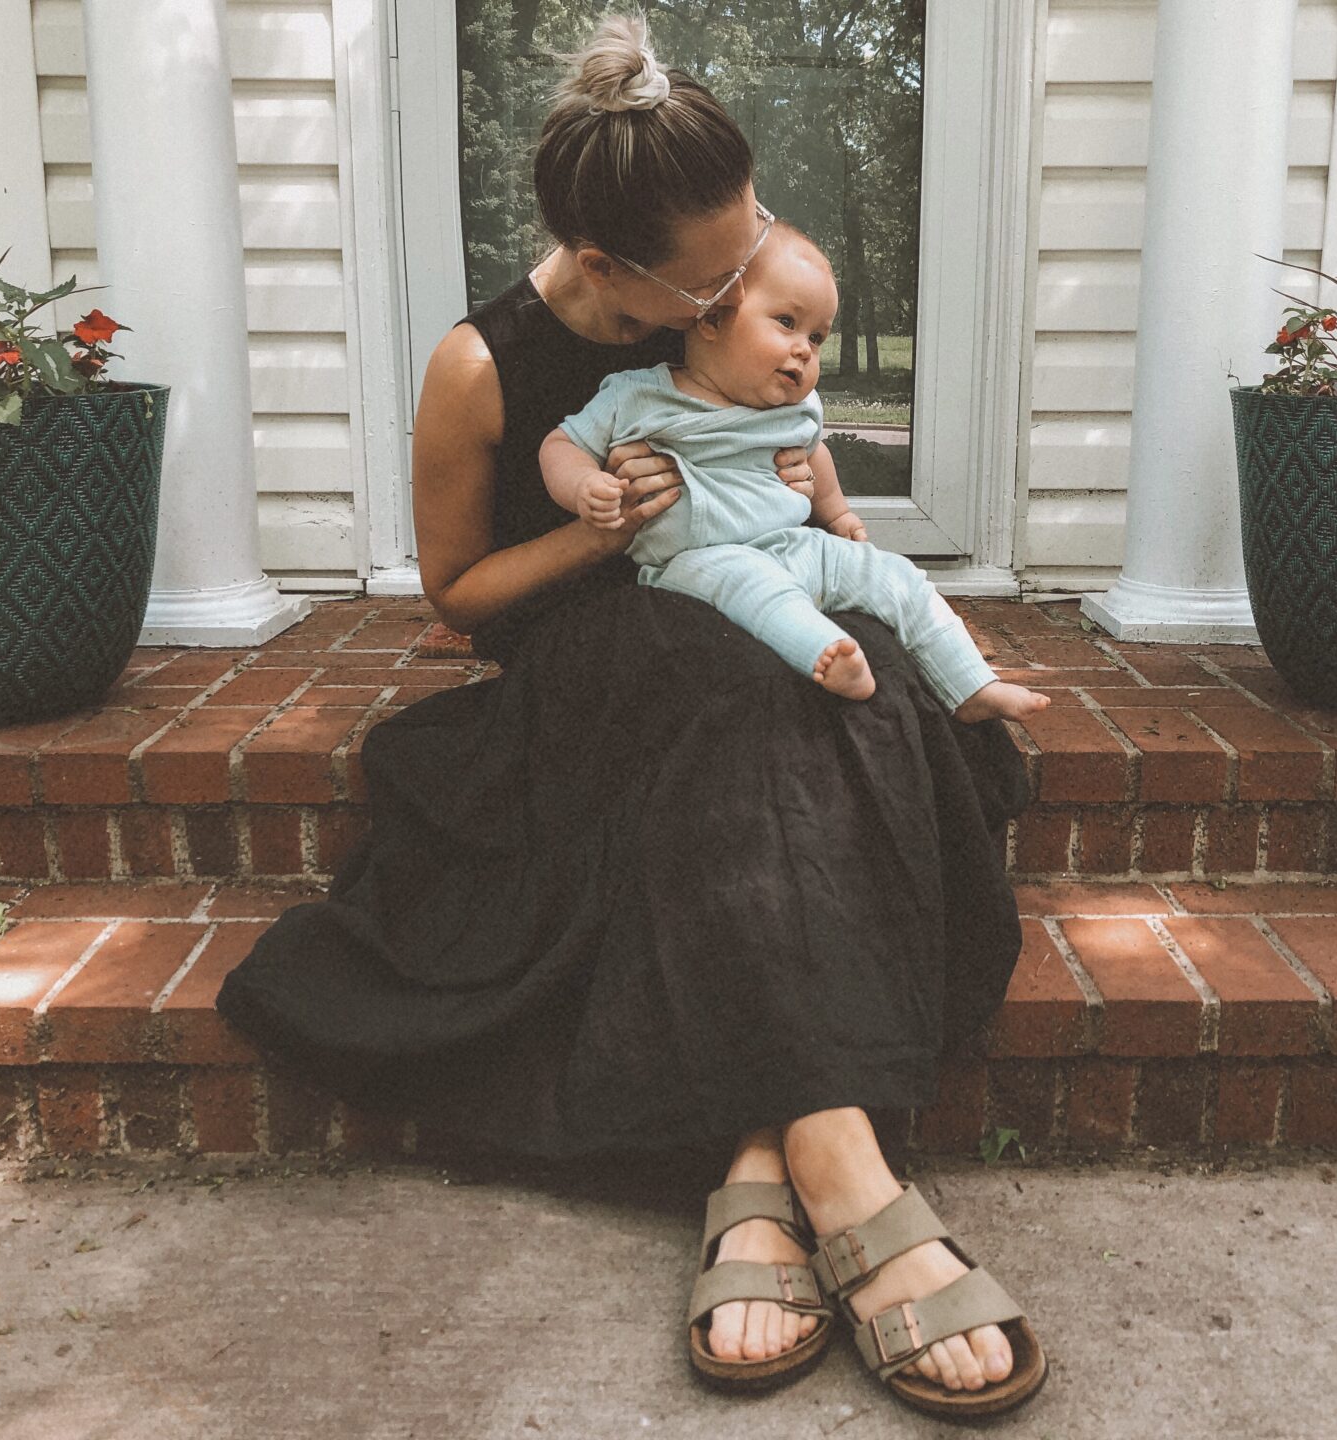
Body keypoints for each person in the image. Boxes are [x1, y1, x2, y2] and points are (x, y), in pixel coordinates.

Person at [214, 13, 1046, 1420]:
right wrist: (605, 534)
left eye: (754, 242)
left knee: (843, 675)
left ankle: (758, 1169)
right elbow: (459, 597)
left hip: (738, 632)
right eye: (714, 277)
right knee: (741, 686)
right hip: (586, 661)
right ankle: (847, 1163)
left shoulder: (732, 312)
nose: (740, 294)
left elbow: (804, 487)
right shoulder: (484, 366)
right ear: (609, 268)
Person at [540, 222, 1053, 719]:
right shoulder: (640, 394)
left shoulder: (796, 411)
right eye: (786, 322)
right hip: (700, 560)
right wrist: (585, 485)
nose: (805, 348)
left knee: (897, 576)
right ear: (713, 319)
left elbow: (815, 456)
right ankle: (827, 652)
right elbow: (562, 444)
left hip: (794, 545)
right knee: (757, 586)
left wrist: (838, 515)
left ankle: (970, 685)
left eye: (819, 336)